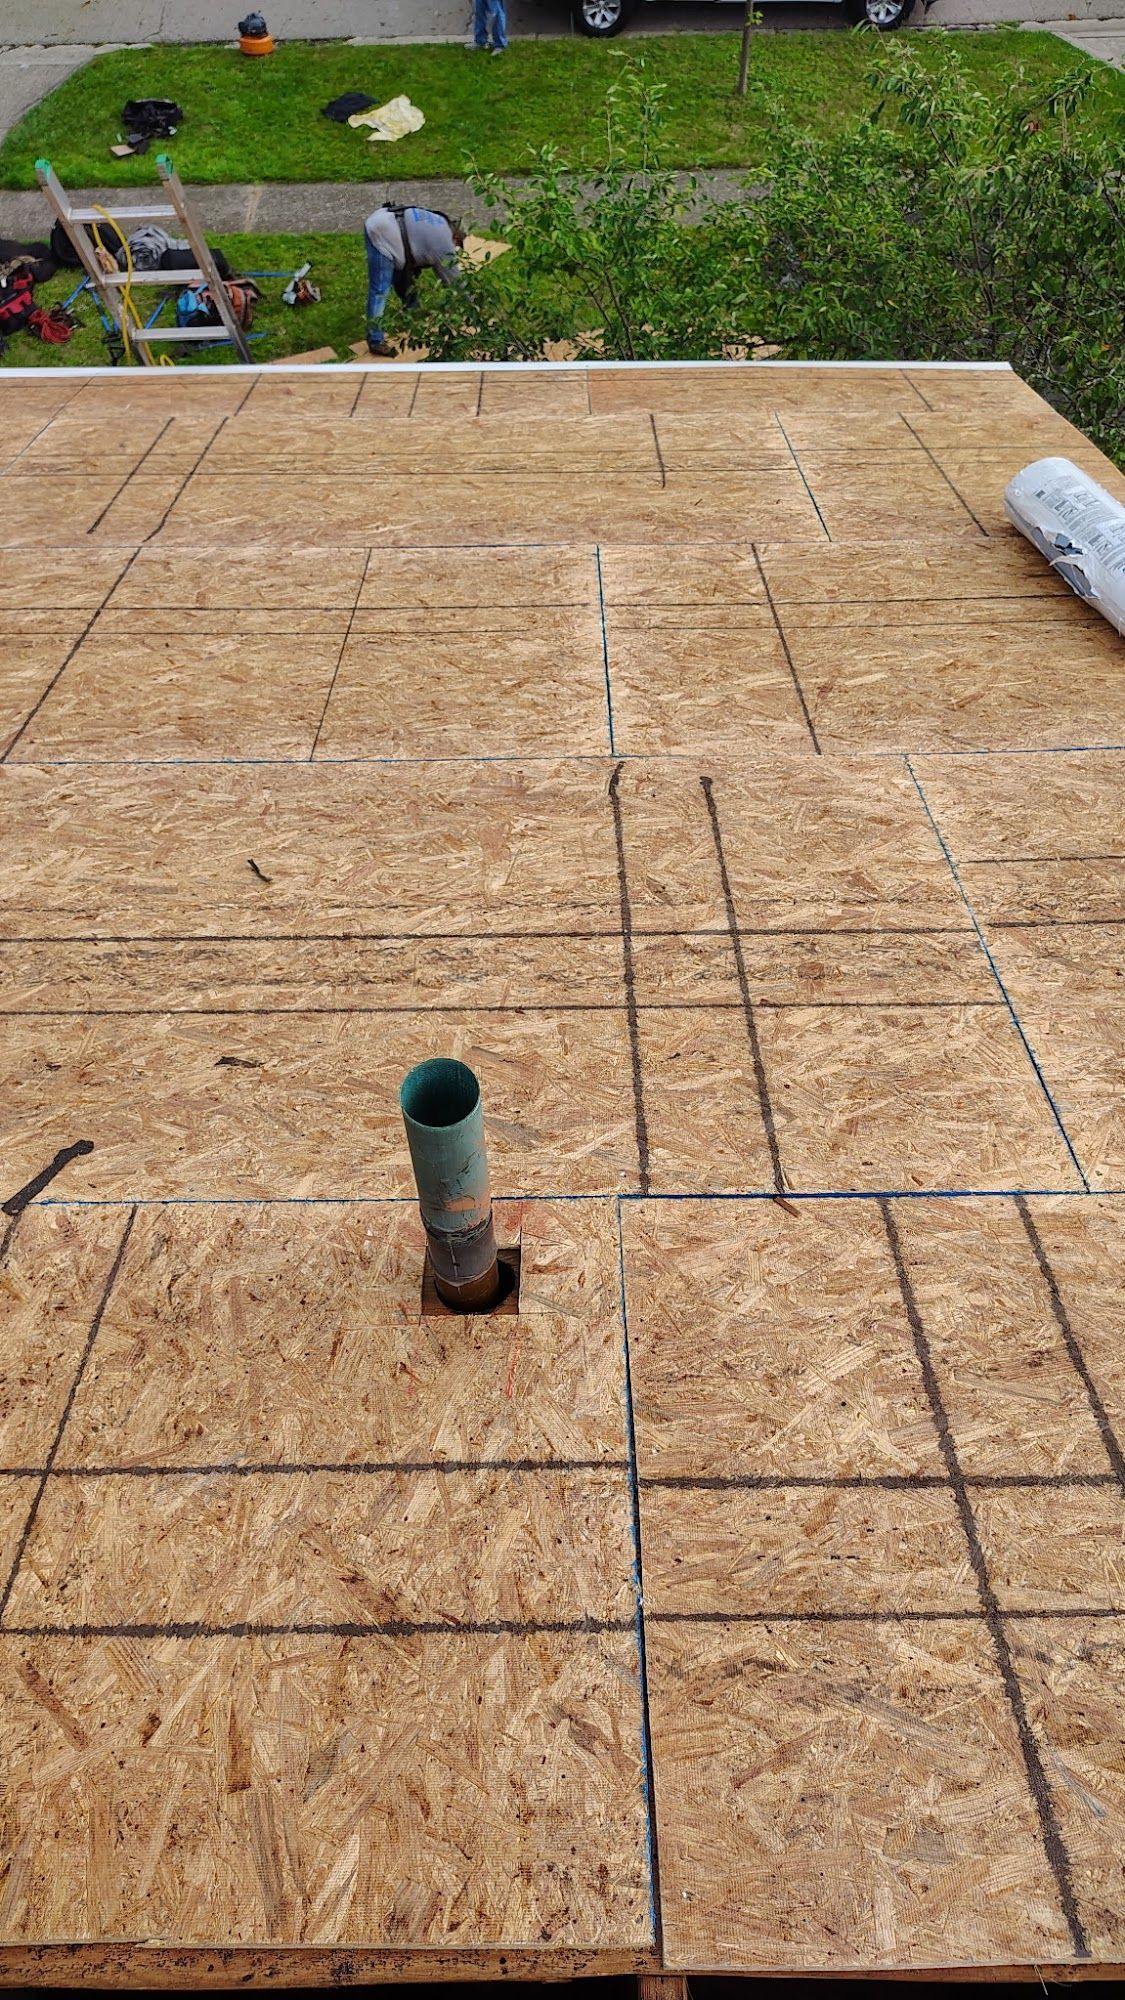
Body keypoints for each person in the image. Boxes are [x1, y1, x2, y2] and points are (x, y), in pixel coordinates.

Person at [363, 204, 464, 356]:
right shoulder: (444, 243)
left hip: (387, 221)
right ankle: (375, 340)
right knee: (380, 290)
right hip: (381, 233)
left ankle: (413, 310)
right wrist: (473, 303)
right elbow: (454, 282)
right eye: (457, 245)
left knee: (404, 275)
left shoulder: (440, 222)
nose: (455, 249)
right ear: (455, 237)